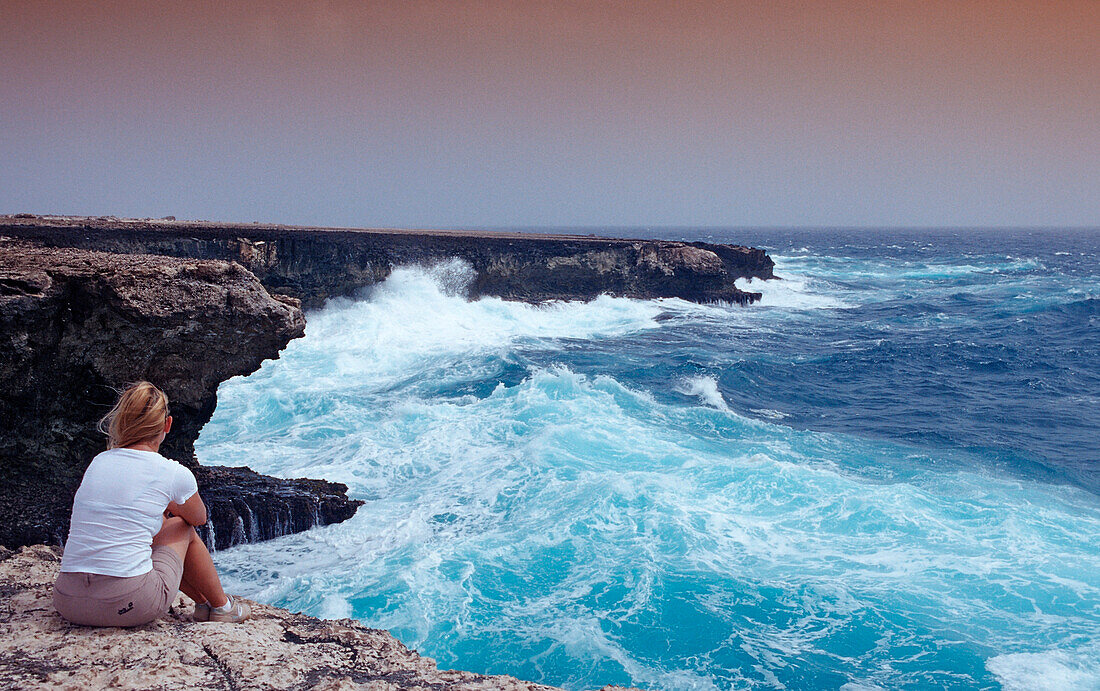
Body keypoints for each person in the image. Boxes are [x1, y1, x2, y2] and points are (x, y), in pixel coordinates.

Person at [52, 381, 250, 626]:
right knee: (181, 527)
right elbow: (198, 518)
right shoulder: (171, 472)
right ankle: (221, 606)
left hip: (68, 602)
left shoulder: (98, 462)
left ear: (122, 422)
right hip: (126, 605)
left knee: (150, 532)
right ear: (167, 424)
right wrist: (169, 506)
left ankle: (205, 603)